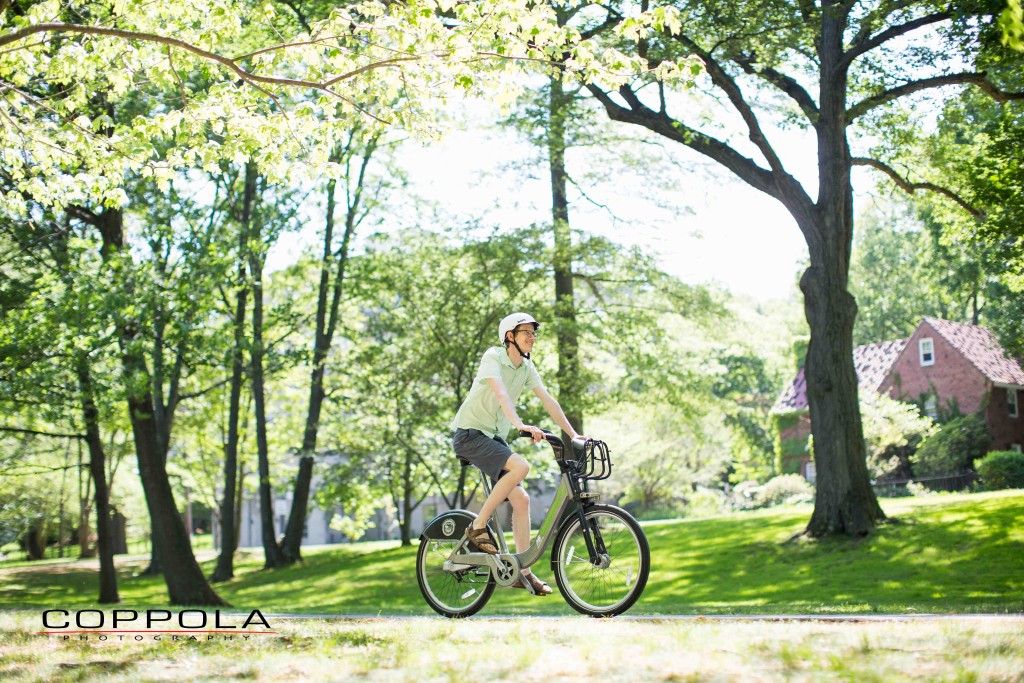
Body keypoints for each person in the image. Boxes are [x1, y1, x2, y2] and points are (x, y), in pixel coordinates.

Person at [450, 312, 583, 596]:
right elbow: (500, 393)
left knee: (521, 500)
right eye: (527, 333)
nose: (532, 338)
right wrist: (519, 424)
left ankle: (523, 571)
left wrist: (573, 435)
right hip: (470, 434)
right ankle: (477, 526)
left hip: (492, 438)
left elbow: (548, 399)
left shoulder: (525, 367)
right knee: (521, 467)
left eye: (535, 334)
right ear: (510, 336)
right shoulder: (494, 357)